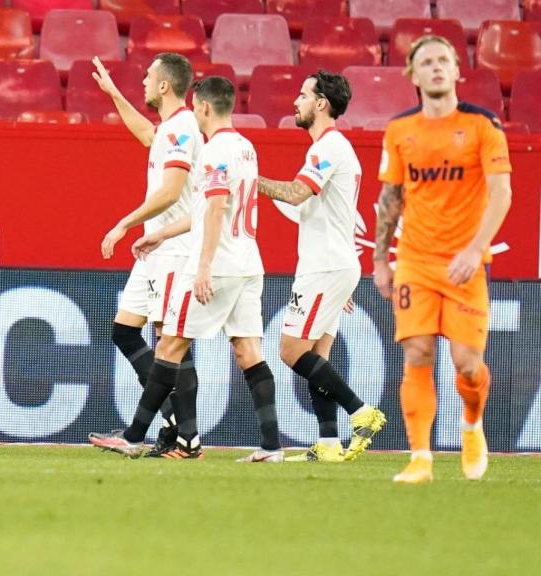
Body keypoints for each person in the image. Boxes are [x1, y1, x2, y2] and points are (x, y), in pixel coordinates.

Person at [89, 77, 283, 461]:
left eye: (197, 107)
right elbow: (208, 210)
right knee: (248, 351)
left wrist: (204, 266)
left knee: (171, 344)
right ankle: (271, 446)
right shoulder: (246, 148)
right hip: (249, 263)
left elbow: (213, 210)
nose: (194, 112)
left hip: (220, 264)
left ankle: (134, 435)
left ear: (205, 108)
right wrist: (160, 233)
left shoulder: (212, 153)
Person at [374, 36, 512, 484]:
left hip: (465, 263)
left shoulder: (482, 125)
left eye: (443, 61)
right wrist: (381, 260)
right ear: (412, 76)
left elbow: (502, 193)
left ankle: (472, 425)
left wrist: (475, 249)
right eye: (426, 62)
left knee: (467, 364)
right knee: (417, 352)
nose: (436, 68)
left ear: (457, 70)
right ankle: (420, 458)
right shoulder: (399, 130)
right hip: (415, 259)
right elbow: (391, 196)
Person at [255, 70, 387, 463]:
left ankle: (362, 412)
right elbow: (314, 208)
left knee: (291, 350)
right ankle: (329, 442)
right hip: (335, 263)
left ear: (321, 104)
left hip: (324, 265)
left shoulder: (327, 148)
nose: (295, 102)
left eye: (302, 95)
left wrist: (248, 178)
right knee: (317, 354)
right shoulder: (332, 149)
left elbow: (296, 194)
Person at [90, 53, 200, 450]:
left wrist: (124, 223)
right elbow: (146, 136)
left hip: (175, 248)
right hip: (157, 249)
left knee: (169, 340)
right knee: (125, 330)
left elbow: (171, 190)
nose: (143, 82)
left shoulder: (185, 128)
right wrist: (113, 93)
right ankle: (172, 416)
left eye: (148, 77)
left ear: (165, 86)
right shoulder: (169, 129)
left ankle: (186, 435)